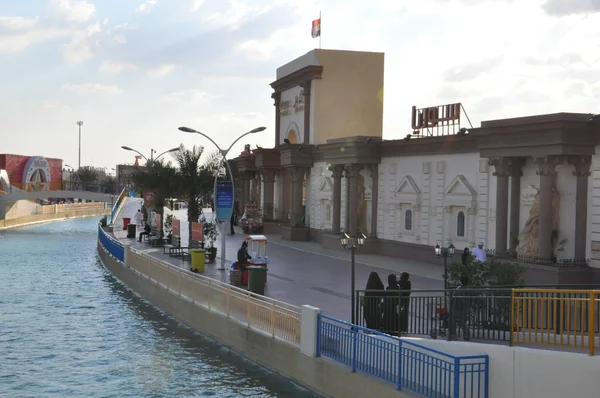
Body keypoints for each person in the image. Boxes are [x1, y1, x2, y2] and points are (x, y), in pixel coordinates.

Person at [450, 274, 471, 341]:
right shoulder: (466, 289)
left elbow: (453, 297)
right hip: (463, 308)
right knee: (463, 322)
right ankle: (466, 335)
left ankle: (453, 335)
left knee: (453, 321)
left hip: (456, 307)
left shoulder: (458, 288)